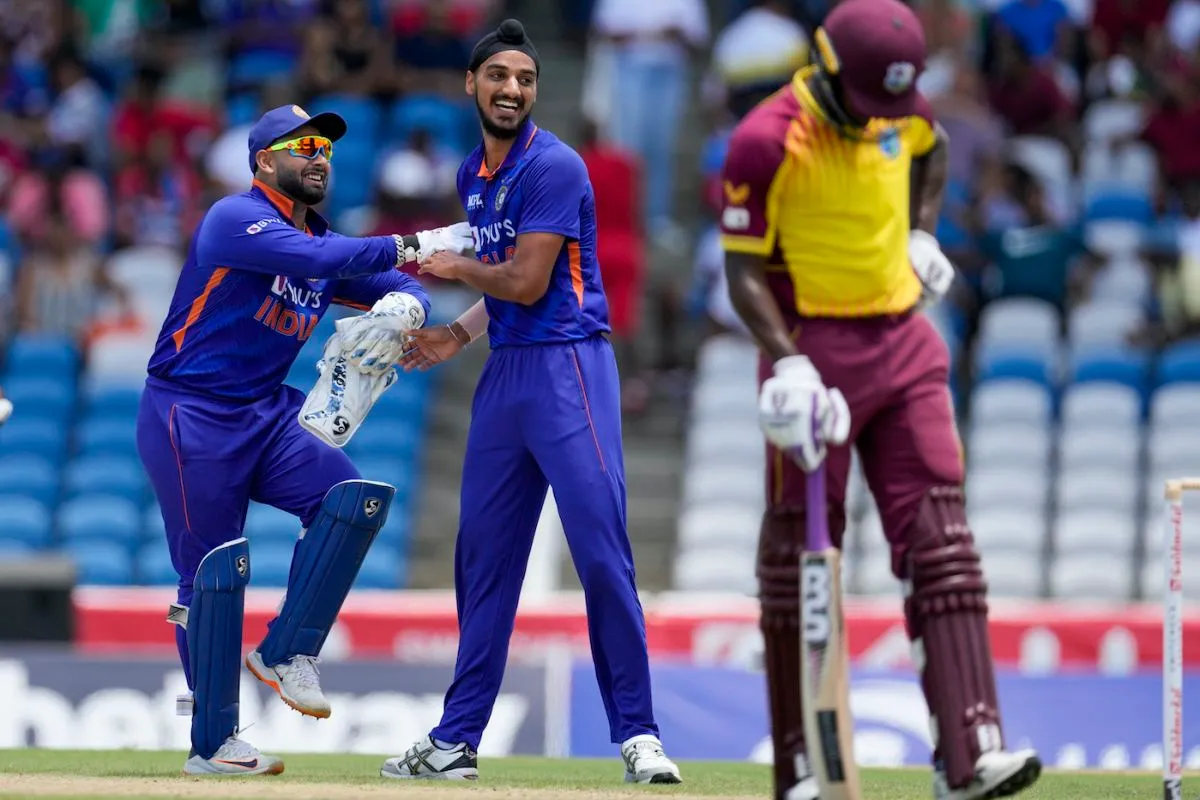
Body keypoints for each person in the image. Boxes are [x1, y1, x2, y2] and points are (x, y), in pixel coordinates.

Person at [717, 2, 1044, 799]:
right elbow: (743, 271)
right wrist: (788, 364)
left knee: (944, 543)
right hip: (812, 349)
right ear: (827, 69)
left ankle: (970, 754)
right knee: (798, 561)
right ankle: (801, 764)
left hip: (903, 342)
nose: (883, 120)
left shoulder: (897, 102)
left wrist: (920, 235)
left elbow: (928, 154)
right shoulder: (765, 138)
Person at [377, 19, 681, 786]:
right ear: (471, 85)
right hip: (508, 371)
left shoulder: (556, 166)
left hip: (569, 368)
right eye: (499, 77)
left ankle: (639, 735)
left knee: (600, 551)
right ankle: (456, 740)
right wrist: (457, 334)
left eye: (526, 79)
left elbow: (527, 282)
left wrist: (453, 267)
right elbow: (501, 290)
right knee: (484, 561)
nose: (513, 89)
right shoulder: (471, 177)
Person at [136, 103, 473, 776]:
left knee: (353, 498)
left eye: (326, 146)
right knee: (212, 572)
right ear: (265, 161)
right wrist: (419, 242)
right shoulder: (234, 219)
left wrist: (407, 303)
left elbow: (386, 281)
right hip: (191, 413)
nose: (319, 155)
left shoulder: (325, 245)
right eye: (303, 146)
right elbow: (321, 255)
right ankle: (213, 744)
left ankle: (288, 650)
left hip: (263, 415)